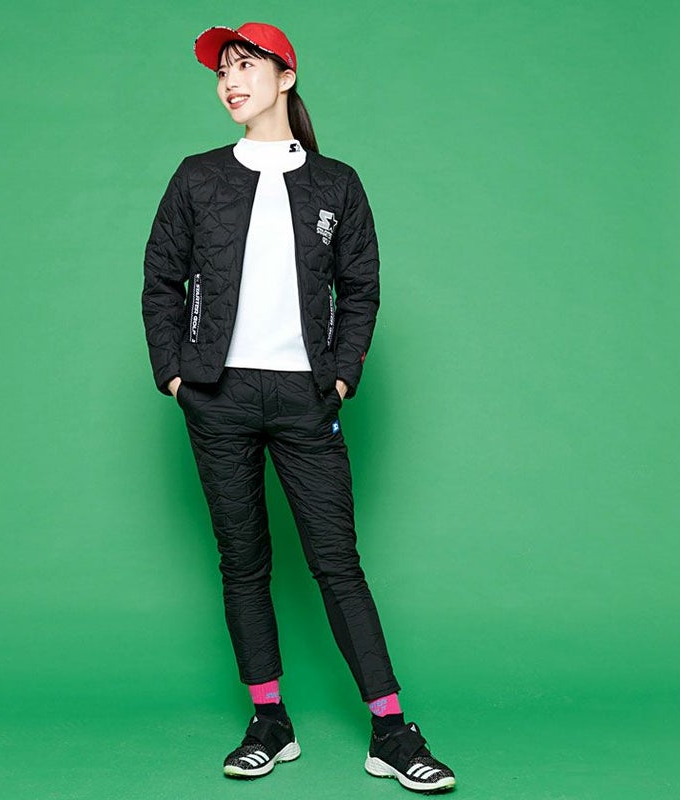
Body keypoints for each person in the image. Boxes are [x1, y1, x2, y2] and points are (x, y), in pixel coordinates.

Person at [141, 21, 456, 794]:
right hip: (217, 395)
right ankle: (268, 720)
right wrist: (177, 378)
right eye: (223, 70)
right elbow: (161, 280)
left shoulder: (335, 183)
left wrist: (341, 377)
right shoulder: (197, 177)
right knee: (243, 563)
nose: (230, 80)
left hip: (304, 397)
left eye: (245, 65)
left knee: (336, 563)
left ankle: (391, 729)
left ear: (285, 76)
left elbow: (361, 288)